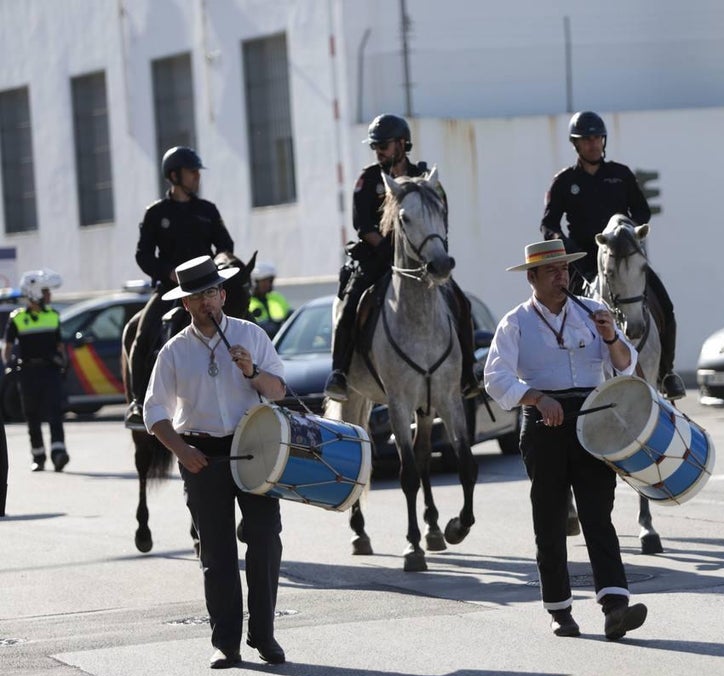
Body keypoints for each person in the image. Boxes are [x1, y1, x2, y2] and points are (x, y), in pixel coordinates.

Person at [484, 240, 649, 640]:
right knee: (551, 517)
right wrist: (537, 398)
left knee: (598, 514)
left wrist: (611, 337)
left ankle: (615, 607)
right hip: (545, 425)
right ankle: (559, 609)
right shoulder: (516, 322)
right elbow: (495, 376)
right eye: (552, 271)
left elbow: (627, 366)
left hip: (593, 421)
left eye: (565, 269)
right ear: (532, 278)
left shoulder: (593, 311)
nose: (563, 276)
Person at [143, 256, 288, 669]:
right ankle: (226, 642)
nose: (206, 301)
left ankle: (264, 635)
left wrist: (252, 371)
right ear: (185, 304)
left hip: (255, 447)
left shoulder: (251, 335)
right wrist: (182, 451)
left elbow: (278, 391)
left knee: (264, 539)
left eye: (211, 292)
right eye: (196, 296)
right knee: (217, 553)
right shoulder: (174, 352)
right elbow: (155, 413)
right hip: (202, 454)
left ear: (223, 294)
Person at [324, 113, 480, 401]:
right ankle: (339, 373)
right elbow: (364, 227)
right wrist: (388, 252)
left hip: (421, 260)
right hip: (378, 258)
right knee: (350, 304)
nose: (379, 151)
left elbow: (440, 221)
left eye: (383, 144)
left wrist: (431, 252)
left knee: (462, 304)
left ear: (402, 143)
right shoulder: (367, 179)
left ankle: (468, 374)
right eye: (375, 146)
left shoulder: (425, 179)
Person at [540, 110, 686, 401]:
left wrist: (631, 228)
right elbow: (549, 222)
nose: (593, 144)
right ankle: (557, 377)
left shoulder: (620, 175)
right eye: (587, 140)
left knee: (665, 305)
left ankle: (667, 373)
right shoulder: (565, 181)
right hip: (583, 260)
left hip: (624, 257)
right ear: (576, 144)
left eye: (597, 138)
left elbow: (642, 210)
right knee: (555, 313)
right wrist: (560, 242)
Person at [126, 146, 235, 429]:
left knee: (245, 317)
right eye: (192, 171)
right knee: (140, 333)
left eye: (198, 172)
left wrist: (223, 258)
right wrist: (169, 273)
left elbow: (224, 245)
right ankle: (138, 403)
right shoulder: (155, 213)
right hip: (169, 289)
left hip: (207, 286)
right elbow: (143, 254)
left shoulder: (207, 210)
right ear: (174, 175)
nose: (197, 176)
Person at [1, 269, 69, 472]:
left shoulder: (53, 316)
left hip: (50, 371)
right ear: (35, 293)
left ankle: (58, 453)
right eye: (46, 291)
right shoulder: (17, 318)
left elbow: (60, 346)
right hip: (27, 373)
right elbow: (8, 348)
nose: (49, 295)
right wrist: (9, 367)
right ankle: (38, 456)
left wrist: (64, 363)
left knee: (55, 413)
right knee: (32, 415)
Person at [248, 261, 292, 337]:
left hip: (278, 343)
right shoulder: (247, 302)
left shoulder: (278, 298)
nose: (268, 284)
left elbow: (290, 316)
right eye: (264, 281)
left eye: (269, 281)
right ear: (255, 282)